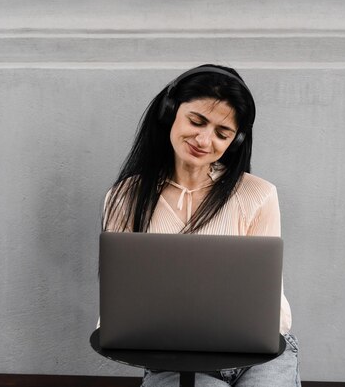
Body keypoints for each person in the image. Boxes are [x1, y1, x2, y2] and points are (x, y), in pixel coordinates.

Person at [102, 64, 301, 387]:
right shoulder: (125, 197)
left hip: (259, 356)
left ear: (234, 142)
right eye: (197, 121)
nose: (204, 140)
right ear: (170, 112)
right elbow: (119, 304)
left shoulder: (258, 195)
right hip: (170, 358)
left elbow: (271, 304)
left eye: (222, 134)